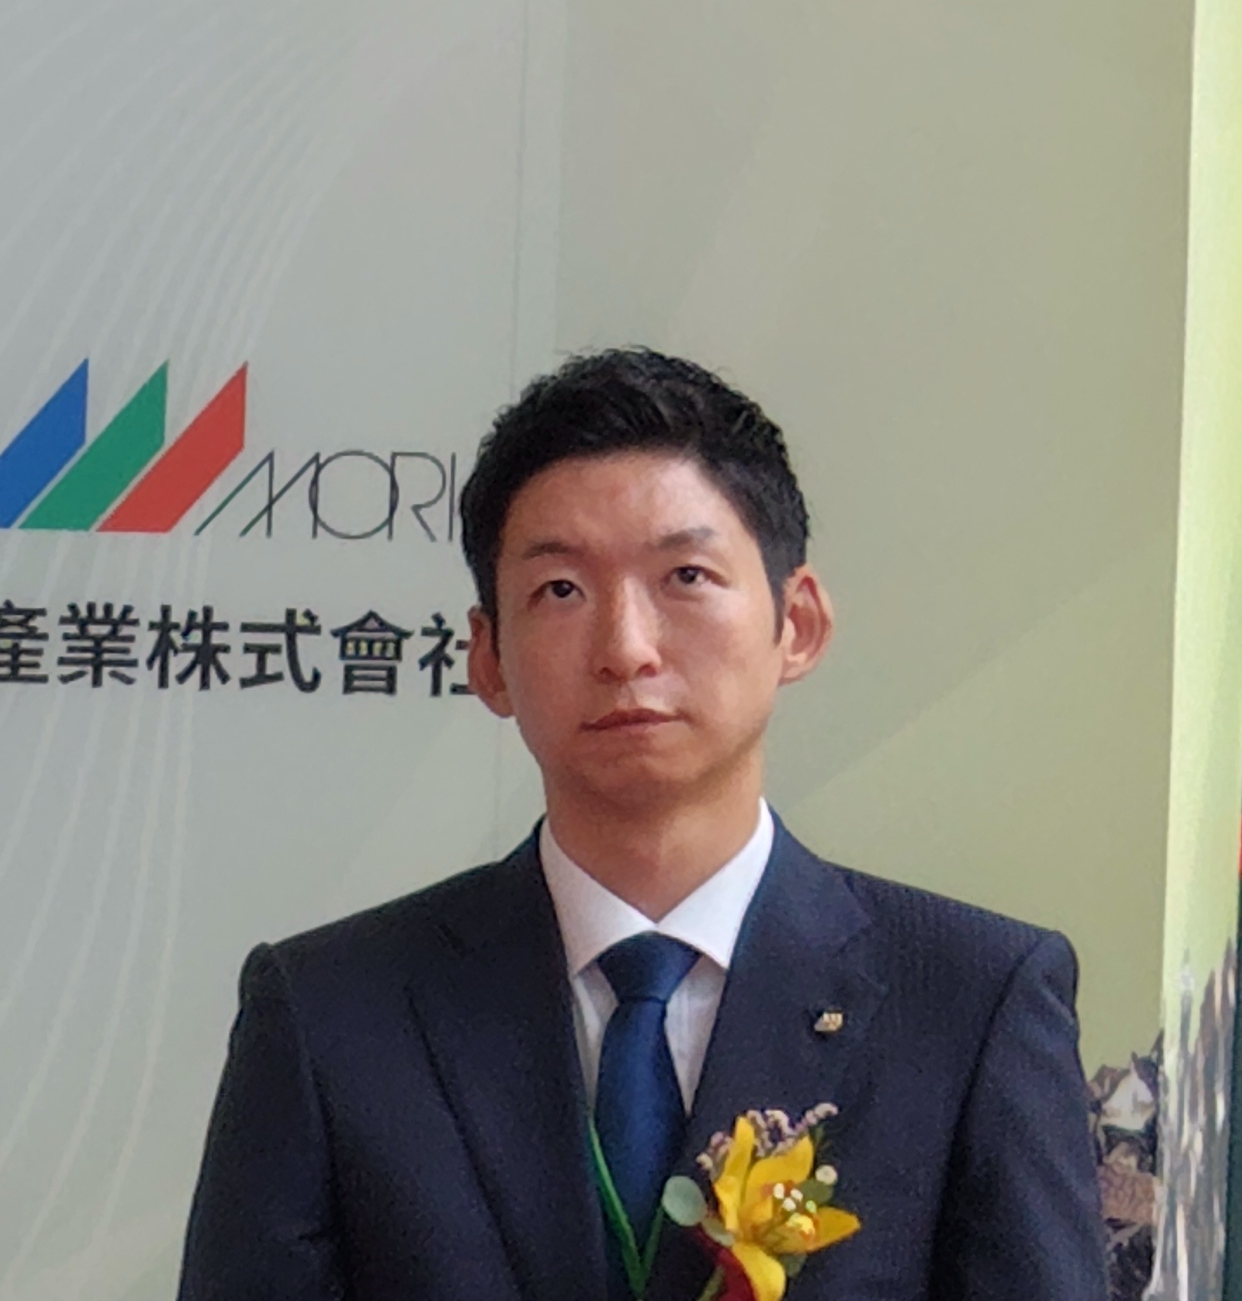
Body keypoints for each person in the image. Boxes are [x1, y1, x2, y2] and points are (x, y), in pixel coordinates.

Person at [175, 348, 1104, 1301]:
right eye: (561, 591)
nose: (626, 648)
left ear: (797, 623)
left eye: (685, 576)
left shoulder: (970, 1003)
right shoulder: (333, 1014)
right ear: (487, 659)